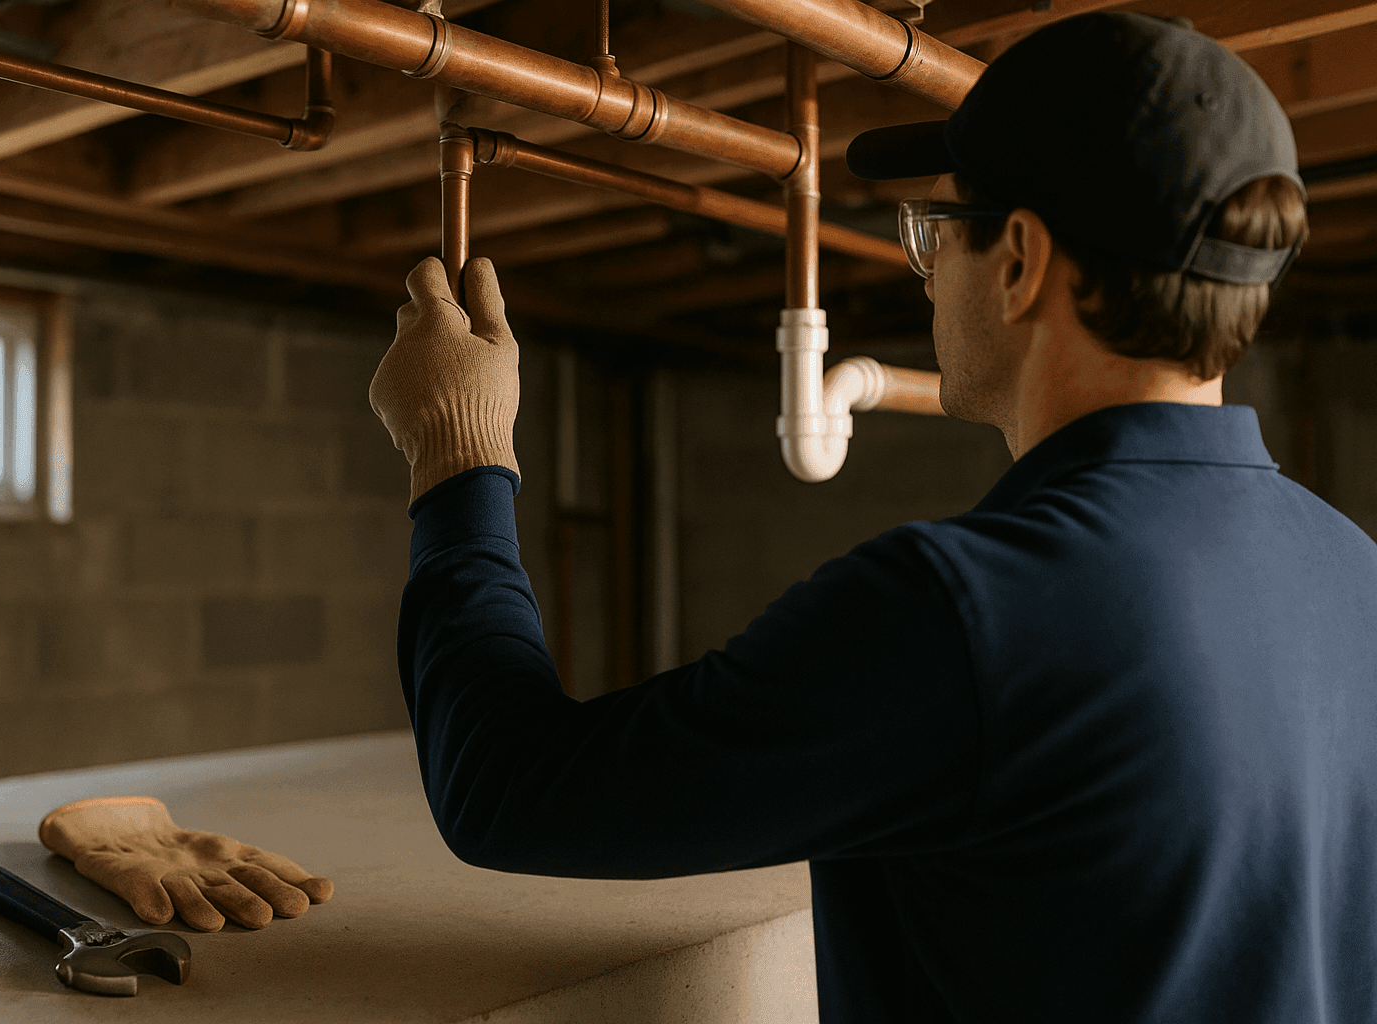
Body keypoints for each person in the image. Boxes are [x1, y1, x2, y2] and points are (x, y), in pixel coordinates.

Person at [369, 12, 1377, 1022]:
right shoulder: (1356, 576)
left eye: (935, 231)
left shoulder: (965, 612)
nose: (928, 269)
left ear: (1022, 260)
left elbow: (508, 788)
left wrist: (459, 453)